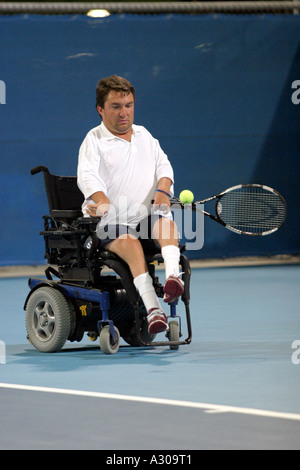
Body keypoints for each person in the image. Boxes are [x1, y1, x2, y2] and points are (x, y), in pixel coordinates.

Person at [77, 75, 184, 335]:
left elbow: (164, 166)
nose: (124, 113)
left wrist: (162, 190)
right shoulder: (94, 140)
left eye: (129, 105)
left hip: (144, 218)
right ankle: (153, 309)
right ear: (100, 109)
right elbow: (88, 177)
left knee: (167, 225)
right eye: (116, 106)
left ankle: (173, 277)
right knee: (130, 242)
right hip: (109, 224)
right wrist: (101, 202)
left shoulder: (144, 135)